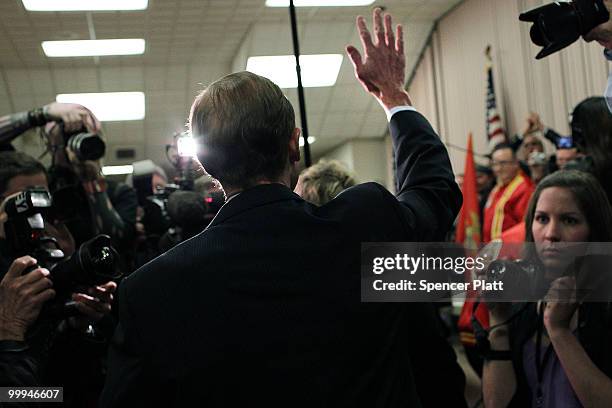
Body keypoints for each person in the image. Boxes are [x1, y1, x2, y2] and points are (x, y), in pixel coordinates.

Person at [100, 9, 466, 408]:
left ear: (206, 165)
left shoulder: (151, 291)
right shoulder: (366, 224)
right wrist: (394, 98)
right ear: (294, 144)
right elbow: (434, 191)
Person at [482, 170, 612, 407]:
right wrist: (498, 320)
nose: (551, 234)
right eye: (542, 219)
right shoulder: (526, 294)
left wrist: (559, 331)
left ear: (595, 230)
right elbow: (495, 403)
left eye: (569, 220)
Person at [0, 151, 116, 406]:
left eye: (42, 193)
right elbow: (10, 396)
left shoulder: (51, 246)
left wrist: (81, 322)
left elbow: (71, 384)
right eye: (24, 196)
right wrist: (10, 329)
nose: (37, 206)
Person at [483, 143, 534, 243]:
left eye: (503, 163)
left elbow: (524, 225)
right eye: (495, 164)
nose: (498, 168)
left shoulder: (524, 188)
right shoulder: (497, 188)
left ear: (515, 163)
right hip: (492, 249)